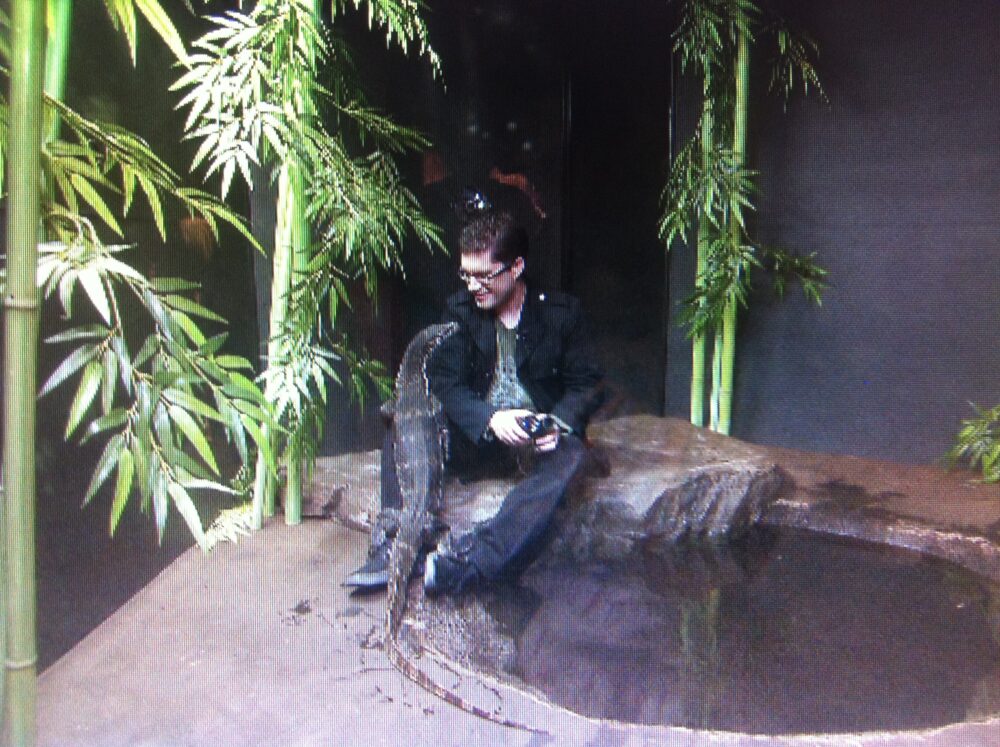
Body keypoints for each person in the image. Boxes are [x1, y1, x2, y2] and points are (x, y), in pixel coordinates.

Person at [344, 202, 604, 595]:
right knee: (402, 423)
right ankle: (397, 543)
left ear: (515, 268)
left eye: (483, 275)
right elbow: (445, 384)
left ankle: (467, 565)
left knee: (571, 457)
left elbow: (587, 384)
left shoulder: (562, 315)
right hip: (479, 436)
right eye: (466, 274)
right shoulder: (460, 310)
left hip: (535, 441)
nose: (472, 285)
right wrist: (488, 419)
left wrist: (558, 423)